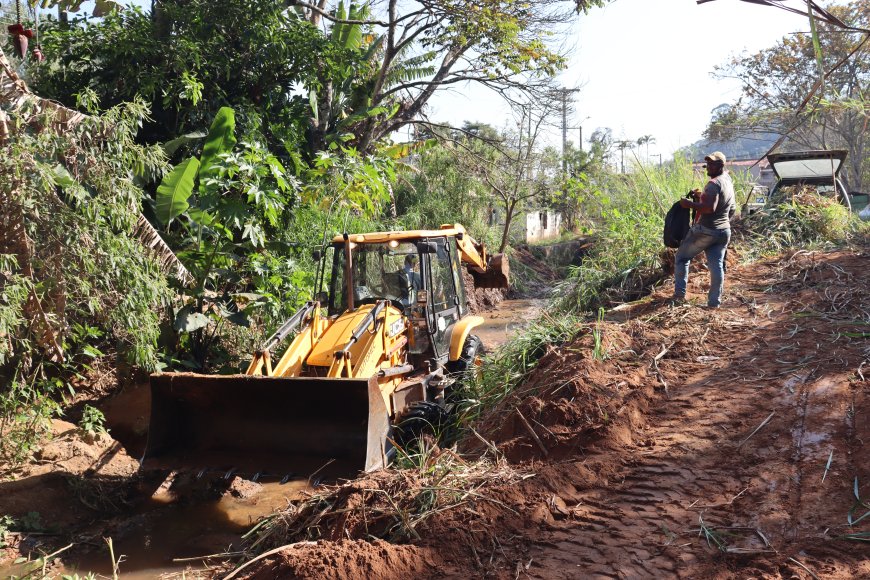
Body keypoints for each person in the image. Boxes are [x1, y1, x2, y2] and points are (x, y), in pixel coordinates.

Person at [672, 151, 735, 309]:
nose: (709, 166)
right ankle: (714, 304)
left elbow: (709, 208)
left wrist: (689, 204)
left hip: (706, 230)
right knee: (717, 266)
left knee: (681, 258)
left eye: (713, 164)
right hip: (724, 231)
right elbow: (731, 208)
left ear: (721, 165)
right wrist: (702, 196)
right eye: (708, 163)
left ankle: (679, 296)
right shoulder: (727, 180)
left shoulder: (713, 184)